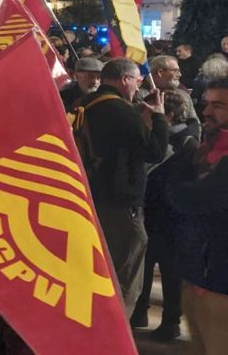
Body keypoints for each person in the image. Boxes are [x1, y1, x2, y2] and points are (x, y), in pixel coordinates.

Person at [77, 57, 169, 314]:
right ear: (124, 79)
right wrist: (159, 118)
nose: (138, 88)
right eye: (137, 82)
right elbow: (154, 152)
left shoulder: (84, 104)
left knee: (92, 269)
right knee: (125, 272)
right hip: (121, 203)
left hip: (88, 196)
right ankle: (114, 334)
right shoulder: (122, 111)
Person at [130, 90, 198, 341]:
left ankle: (171, 322)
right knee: (144, 267)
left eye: (147, 111)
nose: (143, 116)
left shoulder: (187, 145)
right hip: (151, 215)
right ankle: (140, 311)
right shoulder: (158, 140)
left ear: (167, 115)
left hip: (169, 219)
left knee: (170, 272)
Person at [169, 78, 228, 354]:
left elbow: (193, 199)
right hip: (199, 274)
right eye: (206, 103)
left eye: (218, 105)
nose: (206, 111)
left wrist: (179, 177)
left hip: (220, 283)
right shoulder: (209, 149)